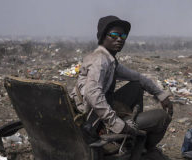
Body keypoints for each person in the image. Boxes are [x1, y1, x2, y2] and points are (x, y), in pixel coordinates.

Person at [70, 15, 173, 154]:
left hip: (99, 114)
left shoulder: (109, 60)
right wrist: (119, 125)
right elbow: (92, 94)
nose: (119, 39)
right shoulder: (100, 61)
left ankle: (132, 138)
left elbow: (138, 77)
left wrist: (161, 94)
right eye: (114, 35)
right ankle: (139, 150)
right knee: (162, 117)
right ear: (102, 37)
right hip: (93, 123)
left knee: (136, 86)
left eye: (123, 36)